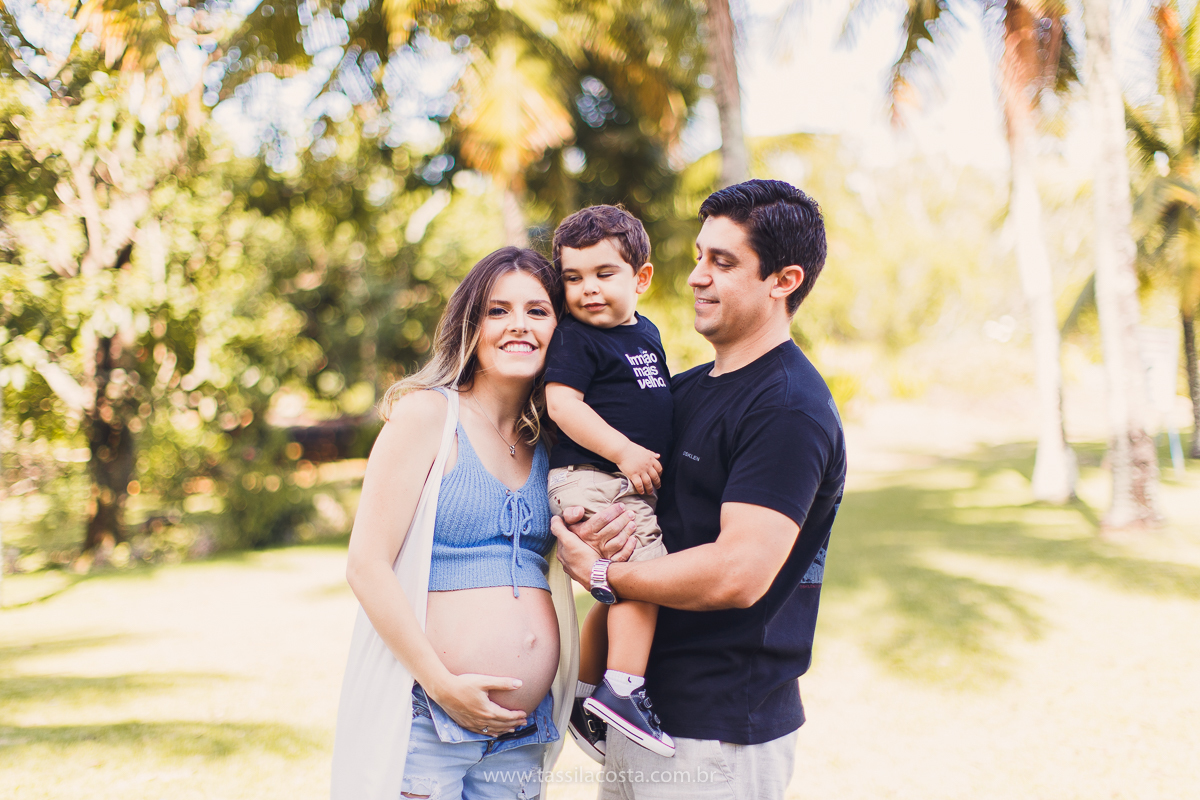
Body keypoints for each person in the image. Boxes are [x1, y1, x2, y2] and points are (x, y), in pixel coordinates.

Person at [552, 180, 847, 799]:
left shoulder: (788, 408)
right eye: (697, 256)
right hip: (636, 715)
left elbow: (736, 573)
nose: (696, 277)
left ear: (783, 280)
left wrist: (604, 575)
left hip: (716, 735)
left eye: (723, 261)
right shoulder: (679, 391)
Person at [333, 247, 577, 800]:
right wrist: (442, 686)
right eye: (498, 311)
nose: (519, 325)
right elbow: (366, 566)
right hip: (428, 717)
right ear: (472, 324)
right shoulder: (428, 415)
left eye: (538, 311)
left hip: (520, 731)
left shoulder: (552, 443)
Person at [541, 206, 674, 759]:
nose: (587, 290)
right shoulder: (575, 339)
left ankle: (589, 690)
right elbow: (561, 404)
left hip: (619, 484)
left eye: (604, 274)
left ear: (640, 278)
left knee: (620, 587)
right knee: (648, 575)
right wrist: (625, 451)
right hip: (592, 480)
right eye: (573, 278)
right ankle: (624, 690)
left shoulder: (646, 333)